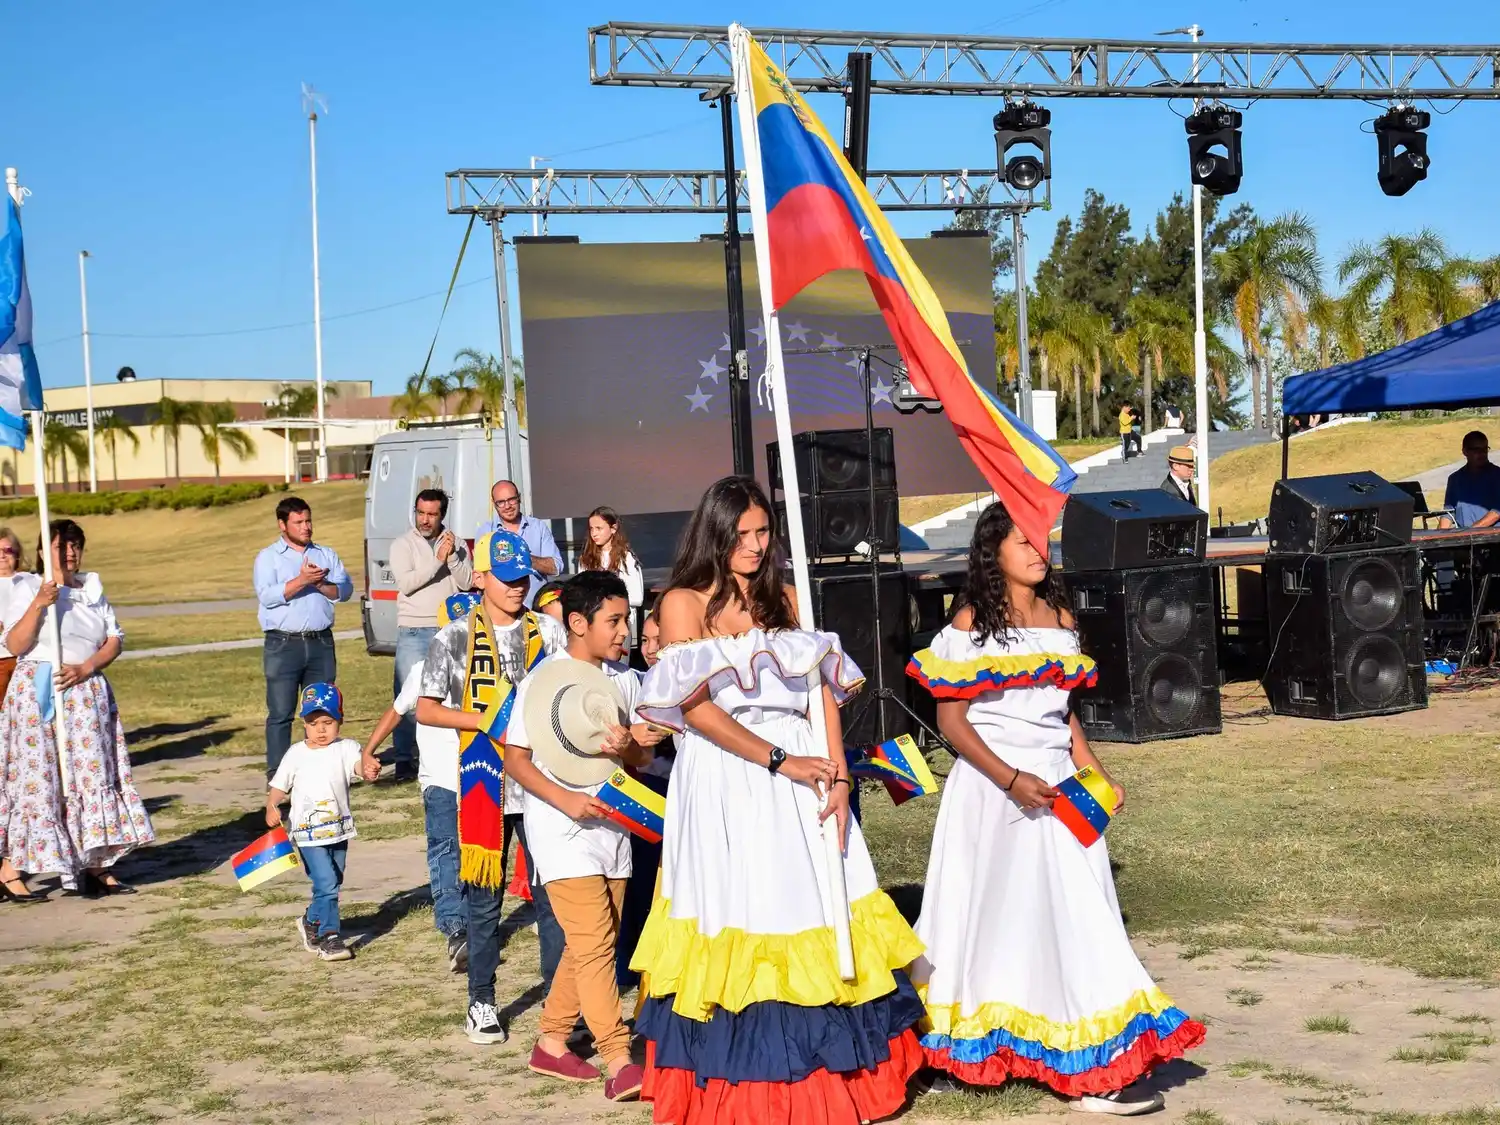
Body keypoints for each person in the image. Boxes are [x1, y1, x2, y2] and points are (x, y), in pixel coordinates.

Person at [631, 476, 924, 1125]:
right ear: (716, 532)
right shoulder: (683, 602)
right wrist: (778, 759)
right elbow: (695, 707)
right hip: (729, 778)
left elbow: (822, 685)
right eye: (742, 534)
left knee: (818, 908)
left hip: (806, 772)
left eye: (764, 532)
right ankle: (745, 1084)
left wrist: (840, 774)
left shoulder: (786, 596)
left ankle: (839, 1072)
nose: (755, 545)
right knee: (747, 913)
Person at [907, 502, 1204, 1114]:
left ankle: (1089, 1057)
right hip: (991, 792)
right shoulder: (970, 623)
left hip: (1060, 789)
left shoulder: (1062, 617)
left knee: (1079, 914)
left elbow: (1063, 713)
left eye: (1041, 540)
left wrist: (1095, 772)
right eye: (1022, 541)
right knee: (979, 920)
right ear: (993, 552)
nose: (1037, 551)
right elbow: (951, 722)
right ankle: (955, 1049)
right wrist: (1011, 779)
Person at [505, 570, 665, 1100]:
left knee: (591, 944)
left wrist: (631, 747)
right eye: (614, 620)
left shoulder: (627, 680)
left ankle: (551, 1043)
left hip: (613, 828)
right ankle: (619, 1059)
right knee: (596, 945)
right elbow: (516, 761)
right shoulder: (541, 681)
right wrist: (567, 800)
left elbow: (640, 760)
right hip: (559, 828)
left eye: (627, 619)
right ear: (578, 622)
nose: (625, 630)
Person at [415, 529, 567, 1045]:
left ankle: (560, 1001)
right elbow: (425, 707)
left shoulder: (549, 631)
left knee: (552, 893)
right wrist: (477, 720)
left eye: (523, 578)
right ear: (479, 578)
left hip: (542, 782)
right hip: (485, 784)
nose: (517, 587)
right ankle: (481, 1000)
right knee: (483, 899)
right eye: (505, 579)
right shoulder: (453, 637)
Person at [0, 519, 151, 898]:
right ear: (41, 551)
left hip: (86, 694)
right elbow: (17, 644)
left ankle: (96, 864)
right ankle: (11, 869)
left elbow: (115, 638)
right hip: (39, 692)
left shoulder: (92, 589)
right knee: (39, 779)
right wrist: (39, 604)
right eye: (61, 546)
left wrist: (87, 667)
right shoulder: (27, 587)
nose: (70, 552)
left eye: (75, 545)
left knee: (91, 775)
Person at [358, 591, 481, 973]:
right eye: (454, 628)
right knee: (446, 852)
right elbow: (396, 711)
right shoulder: (425, 668)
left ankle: (479, 922)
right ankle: (455, 930)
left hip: (479, 777)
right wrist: (369, 750)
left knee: (477, 854)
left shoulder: (483, 672)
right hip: (440, 780)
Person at [267, 683, 376, 963]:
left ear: (340, 720)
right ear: (304, 723)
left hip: (339, 830)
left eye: (328, 722)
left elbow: (358, 766)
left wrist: (368, 767)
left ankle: (310, 920)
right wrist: (272, 805)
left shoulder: (346, 748)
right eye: (313, 723)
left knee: (334, 880)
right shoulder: (296, 754)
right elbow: (280, 785)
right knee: (326, 883)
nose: (321, 729)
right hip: (307, 834)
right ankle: (330, 937)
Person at [254, 496, 354, 777]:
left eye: (308, 521)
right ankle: (279, 778)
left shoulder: (325, 555)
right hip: (283, 644)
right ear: (282, 525)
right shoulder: (268, 558)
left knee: (321, 710)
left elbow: (344, 591)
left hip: (320, 642)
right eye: (298, 522)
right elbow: (267, 596)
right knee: (281, 714)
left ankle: (319, 772)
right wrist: (301, 581)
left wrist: (320, 582)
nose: (306, 527)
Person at [389, 488, 474, 782]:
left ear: (442, 515)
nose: (424, 520)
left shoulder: (456, 543)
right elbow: (407, 584)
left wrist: (451, 557)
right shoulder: (402, 544)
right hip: (415, 629)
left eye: (431, 514)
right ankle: (404, 760)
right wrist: (438, 559)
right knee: (407, 697)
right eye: (420, 513)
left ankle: (448, 753)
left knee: (450, 695)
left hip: (450, 629)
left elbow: (465, 583)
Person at [473, 480, 563, 604]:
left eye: (512, 499)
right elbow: (481, 574)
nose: (507, 506)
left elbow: (556, 567)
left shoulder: (538, 527)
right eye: (501, 502)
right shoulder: (486, 532)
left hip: (536, 609)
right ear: (494, 504)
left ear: (519, 498)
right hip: (501, 611)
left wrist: (525, 558)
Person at [578, 506, 644, 639]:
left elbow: (637, 597)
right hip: (595, 625)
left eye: (599, 528)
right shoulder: (586, 559)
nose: (594, 533)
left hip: (620, 625)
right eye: (591, 529)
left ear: (613, 528)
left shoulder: (626, 558)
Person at [1442, 430, 1500, 529]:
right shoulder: (1454, 479)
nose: (1482, 454)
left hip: (1492, 539)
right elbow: (1449, 513)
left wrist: (1470, 532)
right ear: (1465, 452)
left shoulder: (1497, 475)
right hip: (1465, 539)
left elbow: (1497, 512)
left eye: (1485, 449)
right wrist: (1439, 536)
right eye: (1476, 450)